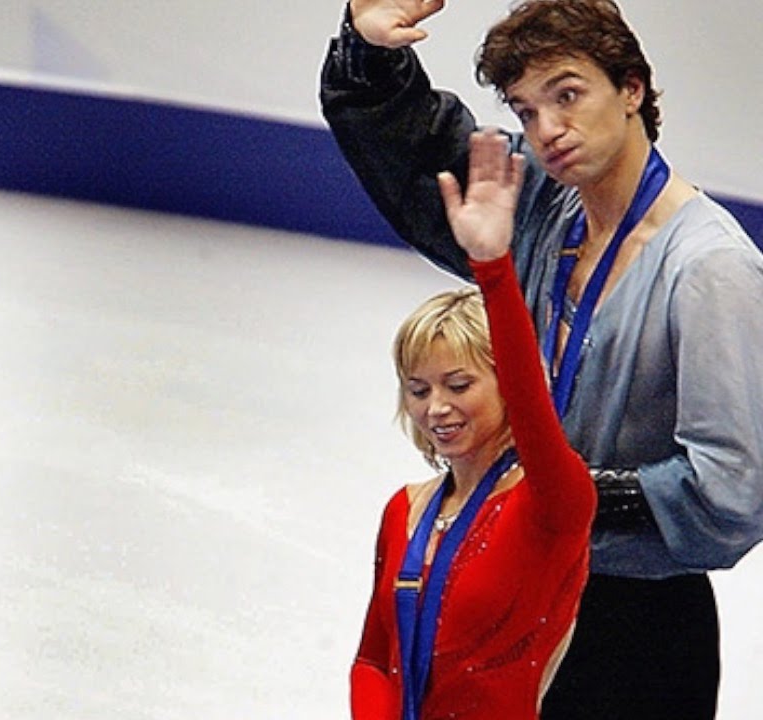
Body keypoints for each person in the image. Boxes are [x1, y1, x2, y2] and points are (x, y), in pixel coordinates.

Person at [321, 0, 763, 717]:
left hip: (632, 628)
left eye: (568, 94)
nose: (548, 130)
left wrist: (560, 501)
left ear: (632, 89)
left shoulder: (711, 270)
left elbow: (732, 494)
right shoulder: (548, 208)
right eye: (526, 111)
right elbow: (426, 157)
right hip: (515, 599)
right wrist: (369, 57)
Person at [353, 129, 595, 718]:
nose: (436, 407)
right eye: (418, 389)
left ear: (507, 387)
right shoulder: (404, 512)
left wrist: (492, 267)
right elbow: (373, 660)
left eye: (459, 385)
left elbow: (533, 403)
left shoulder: (552, 503)